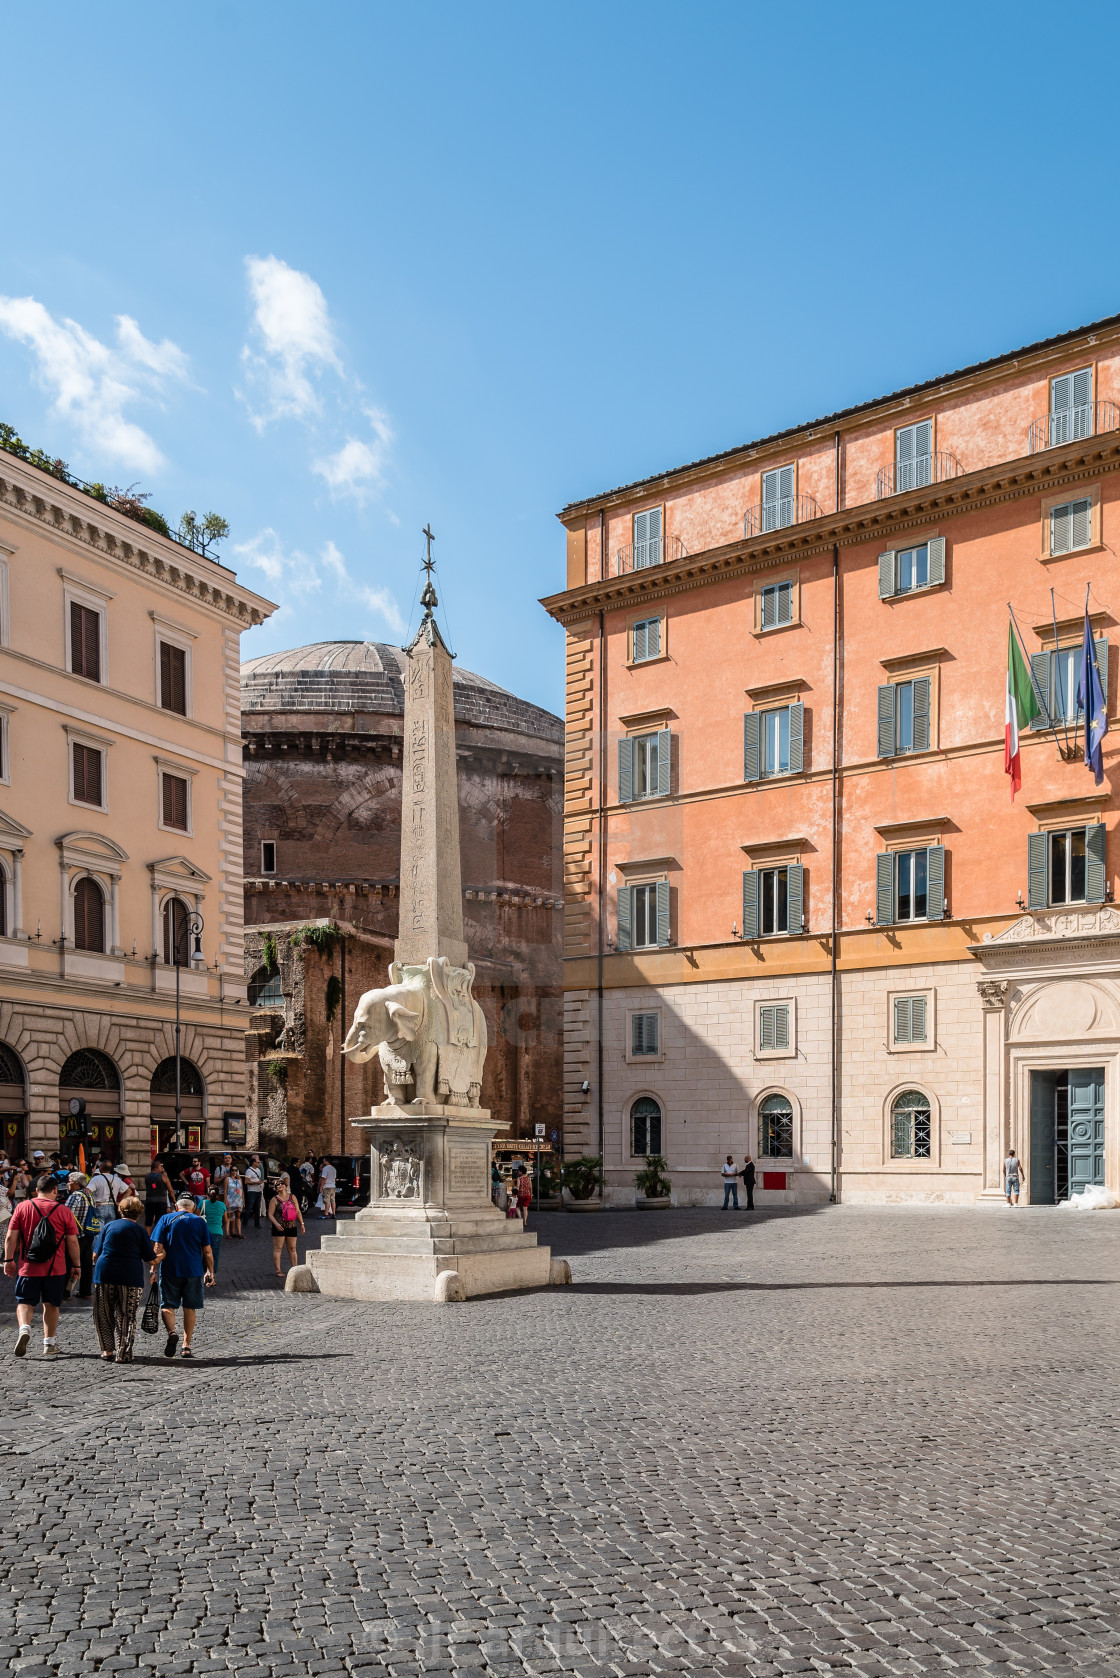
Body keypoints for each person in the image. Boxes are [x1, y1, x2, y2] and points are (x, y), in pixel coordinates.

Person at [4, 1172, 80, 1358]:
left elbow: (11, 1236)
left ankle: (24, 1329)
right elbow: (72, 1242)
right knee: (51, 1305)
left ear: (36, 1190)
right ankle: (49, 1343)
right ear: (55, 1190)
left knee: (25, 1302)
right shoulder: (64, 1211)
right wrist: (76, 1265)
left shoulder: (23, 1207)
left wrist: (7, 1260)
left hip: (28, 1267)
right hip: (56, 1267)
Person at [92, 1196, 156, 1363]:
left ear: (120, 1210)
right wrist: (163, 1255)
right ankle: (124, 1352)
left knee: (103, 1313)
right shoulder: (140, 1231)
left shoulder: (109, 1226)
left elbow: (95, 1255)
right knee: (127, 1314)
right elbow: (150, 1258)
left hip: (105, 1273)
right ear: (139, 1213)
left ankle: (107, 1350)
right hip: (130, 1275)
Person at [152, 1194, 215, 1358]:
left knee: (167, 1305)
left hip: (170, 1269)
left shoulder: (165, 1219)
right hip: (193, 1270)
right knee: (189, 1307)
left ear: (176, 1206)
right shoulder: (200, 1221)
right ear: (194, 1207)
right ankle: (186, 1346)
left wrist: (152, 1270)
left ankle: (172, 1333)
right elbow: (207, 1251)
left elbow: (157, 1248)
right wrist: (210, 1271)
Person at [63, 1172, 98, 1299]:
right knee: (86, 1263)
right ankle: (85, 1291)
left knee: (68, 1262)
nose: (68, 1184)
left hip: (75, 1236)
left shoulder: (75, 1196)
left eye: (70, 1181)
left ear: (76, 1184)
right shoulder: (89, 1195)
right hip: (88, 1233)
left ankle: (65, 1292)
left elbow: (66, 1215)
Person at [267, 1174, 304, 1278]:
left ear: (285, 1185)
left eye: (282, 1183)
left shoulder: (292, 1197)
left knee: (292, 1248)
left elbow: (297, 1211)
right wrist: (276, 1224)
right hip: (279, 1226)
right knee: (278, 1248)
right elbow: (270, 1214)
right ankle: (278, 1270)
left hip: (292, 1225)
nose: (280, 1185)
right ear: (275, 1188)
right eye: (277, 1185)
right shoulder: (274, 1199)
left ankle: (294, 1268)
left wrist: (302, 1223)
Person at [87, 1158, 128, 1234]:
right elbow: (128, 1190)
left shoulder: (96, 1179)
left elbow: (88, 1191)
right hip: (112, 1206)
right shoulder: (116, 1179)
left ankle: (98, 1245)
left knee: (98, 1232)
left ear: (101, 1167)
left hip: (100, 1206)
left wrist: (91, 1203)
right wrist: (120, 1202)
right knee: (109, 1231)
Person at [144, 1158, 175, 1231]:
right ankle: (157, 1238)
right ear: (157, 1168)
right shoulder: (164, 1177)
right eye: (161, 1166)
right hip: (161, 1201)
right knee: (160, 1221)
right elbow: (170, 1190)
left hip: (149, 1201)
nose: (162, 1168)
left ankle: (147, 1238)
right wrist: (174, 1199)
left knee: (148, 1221)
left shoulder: (147, 1176)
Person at [203, 1187, 228, 1272]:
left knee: (204, 1253)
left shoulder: (202, 1203)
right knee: (215, 1255)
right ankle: (212, 1275)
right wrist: (222, 1226)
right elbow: (226, 1220)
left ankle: (203, 1274)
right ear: (218, 1195)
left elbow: (195, 1216)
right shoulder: (222, 1205)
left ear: (207, 1194)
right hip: (217, 1232)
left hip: (204, 1232)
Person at [244, 1156, 264, 1229]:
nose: (259, 1163)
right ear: (254, 1162)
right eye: (258, 1162)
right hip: (251, 1191)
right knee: (249, 1207)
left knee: (257, 1208)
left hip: (258, 1190)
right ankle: (245, 1223)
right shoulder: (249, 1171)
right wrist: (256, 1182)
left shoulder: (258, 1170)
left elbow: (257, 1179)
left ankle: (257, 1224)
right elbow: (246, 1181)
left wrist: (260, 1182)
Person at [224, 1165, 244, 1237]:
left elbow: (242, 1190)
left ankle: (239, 1233)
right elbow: (225, 1190)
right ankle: (227, 1233)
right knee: (229, 1216)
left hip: (238, 1200)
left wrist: (243, 1200)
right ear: (230, 1171)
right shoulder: (227, 1179)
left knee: (238, 1217)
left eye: (236, 1170)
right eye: (233, 1170)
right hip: (230, 1200)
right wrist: (225, 1200)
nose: (234, 1172)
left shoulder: (239, 1179)